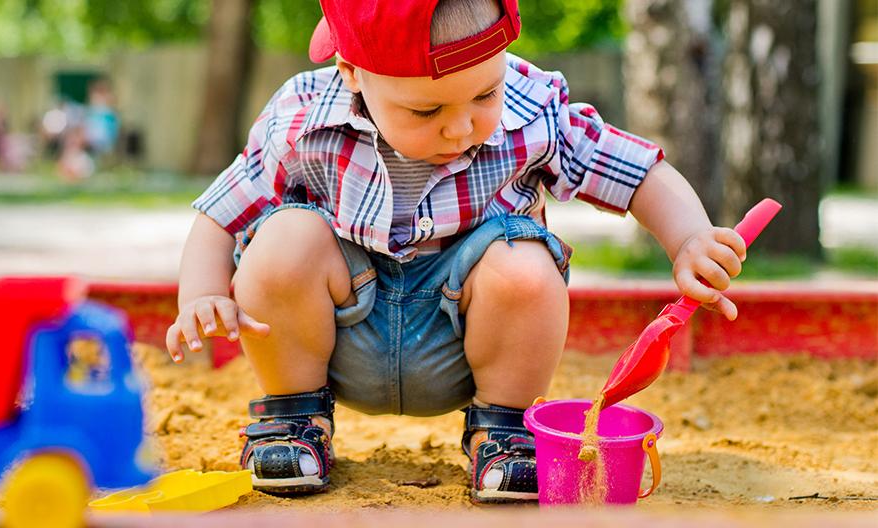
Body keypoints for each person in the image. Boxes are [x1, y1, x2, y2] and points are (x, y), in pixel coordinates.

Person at [165, 0, 747, 503]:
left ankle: (505, 434)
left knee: (524, 262)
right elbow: (221, 212)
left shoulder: (530, 108)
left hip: (466, 340)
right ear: (353, 73)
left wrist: (690, 237)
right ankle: (293, 422)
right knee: (284, 238)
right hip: (341, 334)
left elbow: (635, 168)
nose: (461, 126)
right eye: (427, 111)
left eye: (483, 94)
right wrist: (203, 293)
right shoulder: (302, 117)